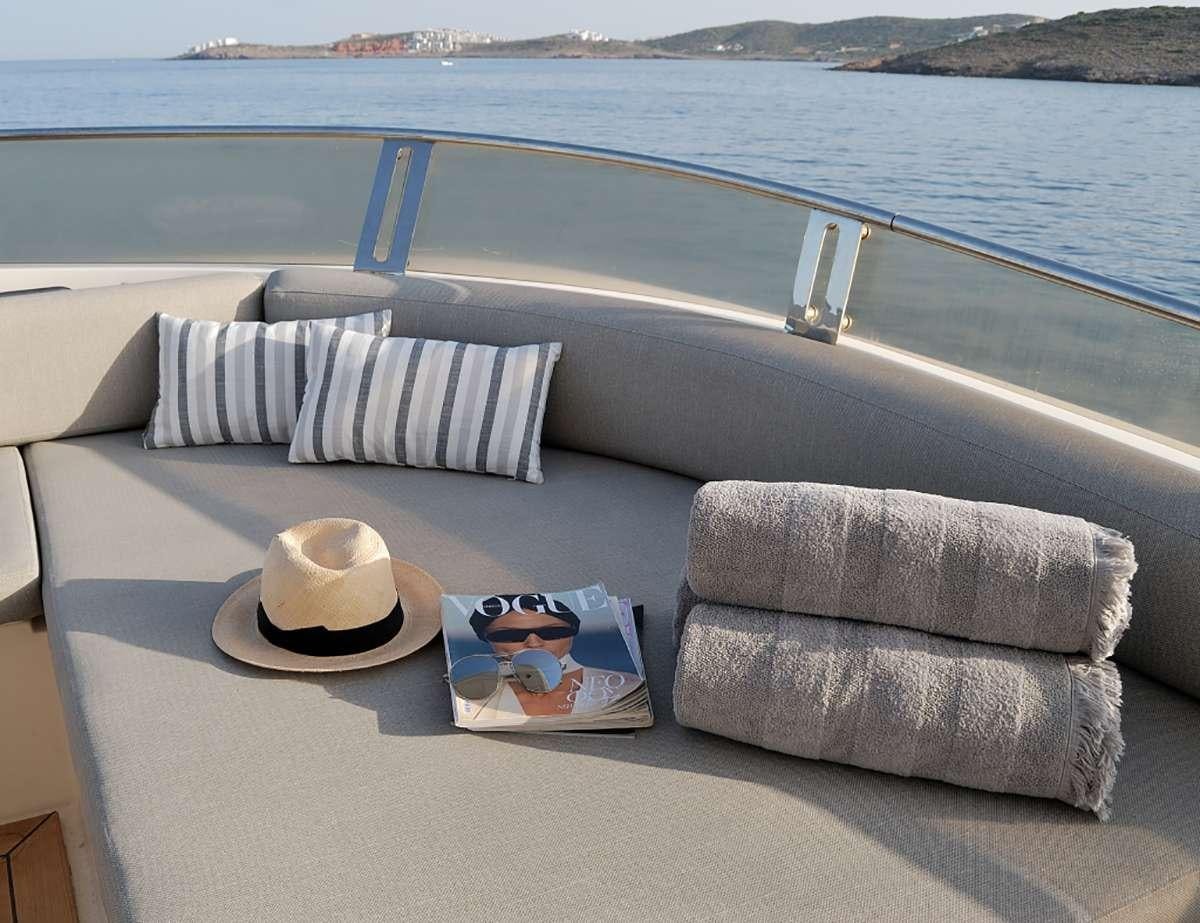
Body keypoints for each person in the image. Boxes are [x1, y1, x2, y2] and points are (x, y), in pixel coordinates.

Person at [467, 593, 640, 719]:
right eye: (509, 635)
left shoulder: (628, 686)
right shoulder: (468, 697)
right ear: (485, 638)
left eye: (552, 632)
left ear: (572, 634)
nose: (534, 643)